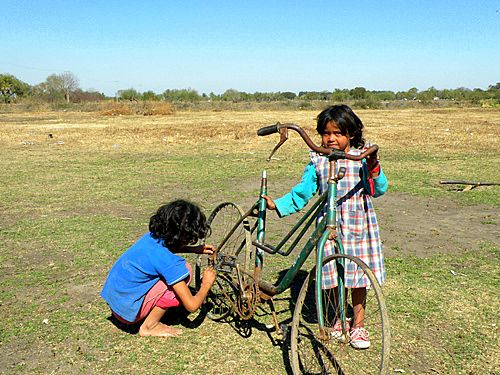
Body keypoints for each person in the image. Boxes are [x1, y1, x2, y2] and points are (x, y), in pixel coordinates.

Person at [262, 105, 388, 349]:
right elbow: (303, 192)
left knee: (358, 278)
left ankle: (358, 326)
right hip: (329, 228)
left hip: (359, 227)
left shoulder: (361, 157)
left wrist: (373, 167)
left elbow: (379, 189)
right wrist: (277, 205)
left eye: (338, 133)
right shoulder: (318, 161)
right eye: (326, 133)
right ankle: (339, 319)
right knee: (333, 275)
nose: (331, 138)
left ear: (351, 134)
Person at [101, 199, 216, 338]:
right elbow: (191, 306)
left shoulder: (150, 238)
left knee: (172, 274)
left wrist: (194, 249)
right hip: (127, 314)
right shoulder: (172, 264)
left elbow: (163, 252)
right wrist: (206, 284)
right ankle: (150, 326)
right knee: (185, 272)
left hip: (116, 303)